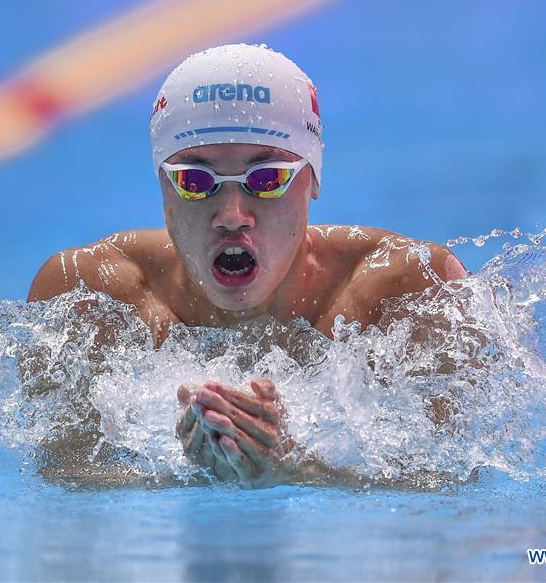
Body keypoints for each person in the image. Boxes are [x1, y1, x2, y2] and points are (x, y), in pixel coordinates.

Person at [27, 43, 466, 488]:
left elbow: (458, 487)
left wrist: (300, 469)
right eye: (196, 182)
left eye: (267, 179)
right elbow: (63, 482)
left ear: (312, 178)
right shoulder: (87, 297)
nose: (233, 214)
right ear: (163, 186)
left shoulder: (411, 290)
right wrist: (194, 478)